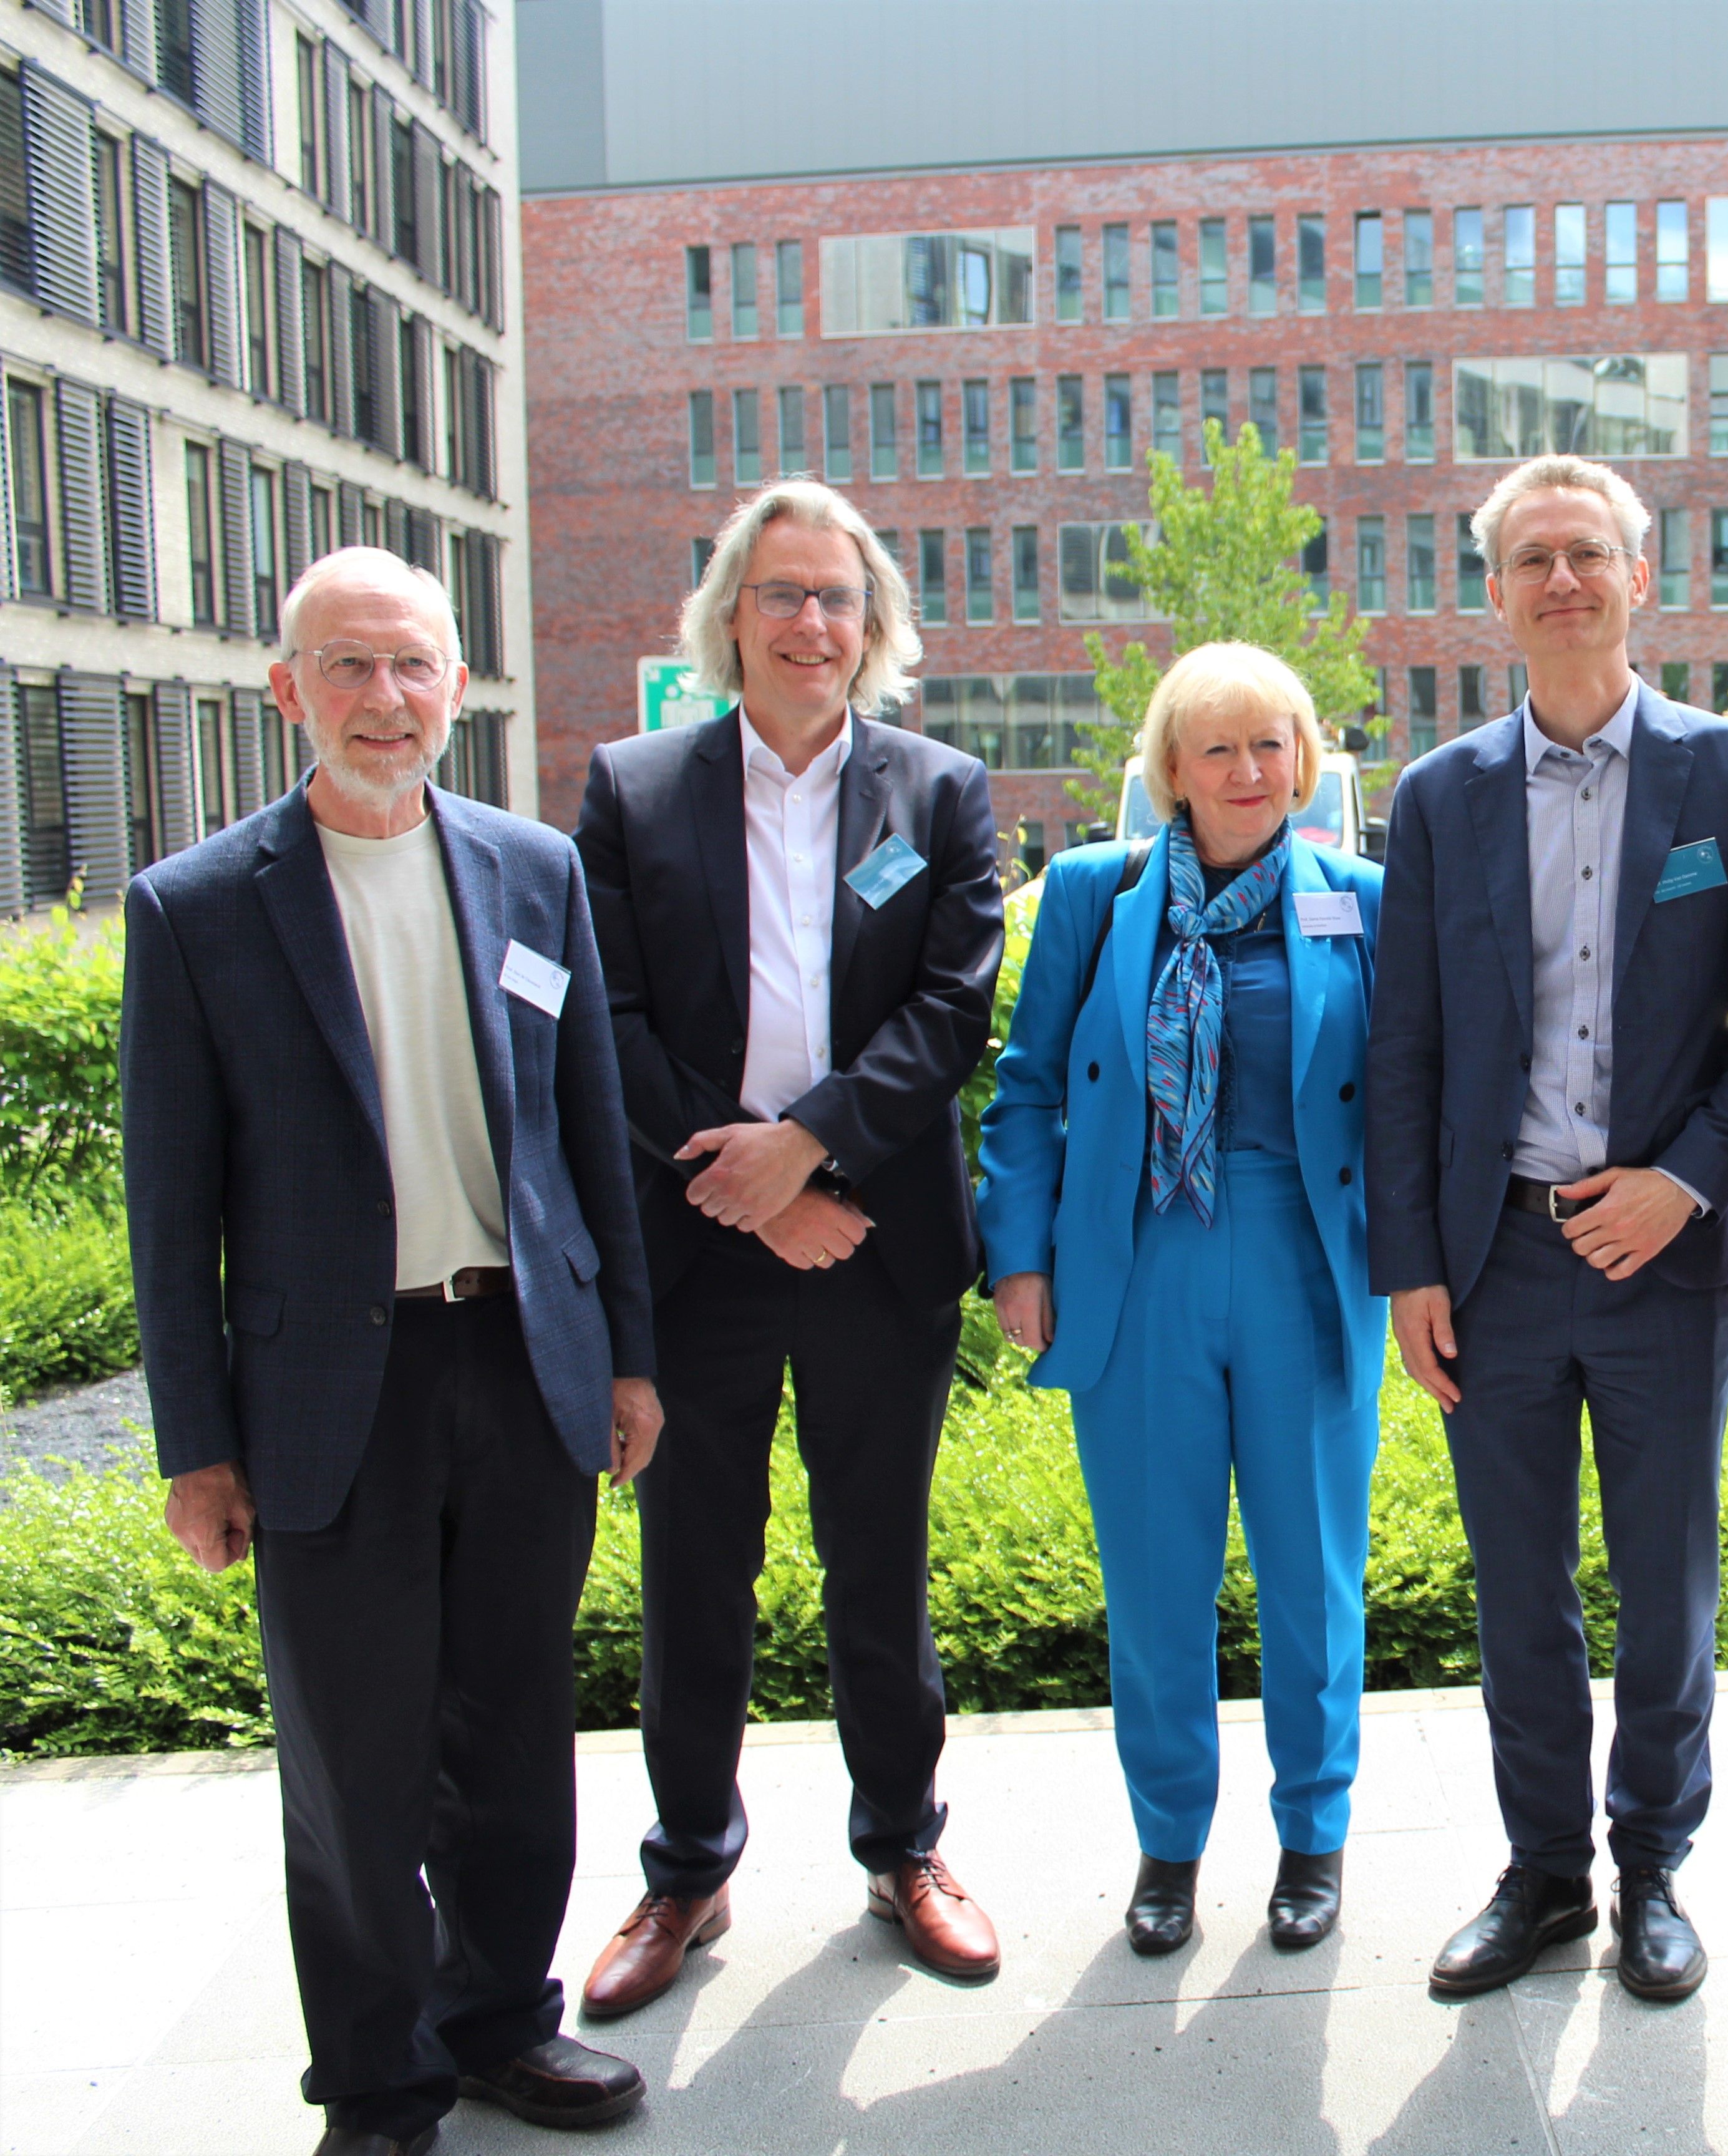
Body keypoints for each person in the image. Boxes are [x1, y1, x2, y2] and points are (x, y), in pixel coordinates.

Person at [122, 548, 662, 2155]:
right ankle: (374, 2078)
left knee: (513, 1732)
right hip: (323, 1396)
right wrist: (193, 1443)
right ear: (287, 688)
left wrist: (625, 1354)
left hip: (520, 1361)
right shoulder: (202, 907)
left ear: (455, 688)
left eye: (413, 667)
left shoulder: (530, 870)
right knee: (352, 1763)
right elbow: (172, 1205)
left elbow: (588, 1136)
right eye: (347, 667)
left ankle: (501, 2023)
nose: (384, 698)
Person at [571, 480, 1007, 2016]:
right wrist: (747, 1182)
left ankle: (904, 1850)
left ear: (870, 625)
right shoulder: (630, 792)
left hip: (872, 1241)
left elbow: (951, 1012)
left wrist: (807, 1152)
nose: (810, 624)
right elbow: (605, 1018)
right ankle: (687, 1869)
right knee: (696, 1569)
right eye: (781, 596)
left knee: (877, 1562)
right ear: (729, 622)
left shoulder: (941, 794)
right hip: (701, 1245)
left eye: (836, 598)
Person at [1368, 453, 1728, 2003]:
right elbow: (1402, 1046)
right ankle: (1545, 1871)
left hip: (1664, 1250)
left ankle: (1653, 1866)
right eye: (1532, 559)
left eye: (1589, 556)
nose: (1563, 581)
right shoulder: (1440, 796)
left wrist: (1687, 1175)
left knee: (1668, 1576)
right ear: (1493, 595)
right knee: (1519, 1586)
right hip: (1495, 1258)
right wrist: (1411, 1261)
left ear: (1640, 577)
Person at [975, 643, 1387, 1956]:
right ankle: (1169, 1844)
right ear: (1169, 774)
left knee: (1312, 1571)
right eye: (1219, 749)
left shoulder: (1361, 898)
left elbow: (1411, 1095)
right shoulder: (1095, 895)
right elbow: (1029, 1085)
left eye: (1273, 744)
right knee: (1155, 1573)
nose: (1251, 771)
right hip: (1138, 1256)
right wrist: (1021, 1254)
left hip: (1303, 1258)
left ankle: (1313, 1839)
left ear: (1306, 760)